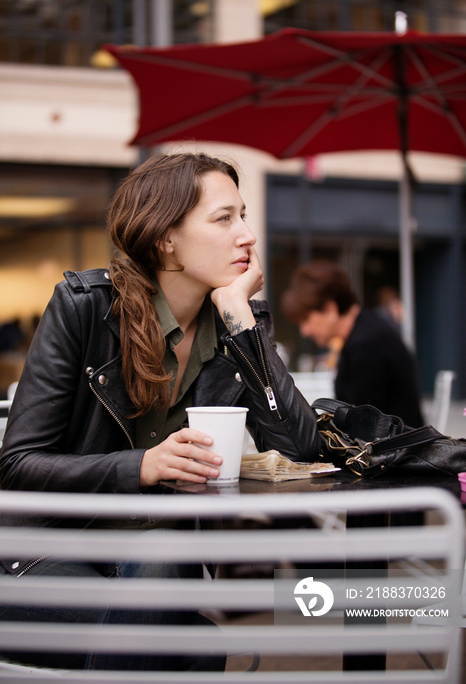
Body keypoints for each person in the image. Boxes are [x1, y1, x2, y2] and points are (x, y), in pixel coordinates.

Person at [0, 152, 321, 672]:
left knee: (167, 554)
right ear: (165, 238)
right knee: (193, 648)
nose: (247, 235)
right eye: (224, 219)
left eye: (243, 216)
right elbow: (17, 467)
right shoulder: (84, 307)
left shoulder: (234, 325)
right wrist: (142, 466)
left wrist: (243, 320)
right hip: (41, 555)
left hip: (159, 562)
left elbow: (299, 447)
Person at [281, 260, 424, 428]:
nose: (305, 331)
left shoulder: (366, 345)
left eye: (306, 319)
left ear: (330, 309)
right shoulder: (366, 331)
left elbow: (361, 424)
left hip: (397, 451)